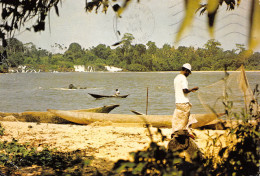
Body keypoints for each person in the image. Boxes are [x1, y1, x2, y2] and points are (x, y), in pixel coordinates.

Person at [172, 63, 199, 134]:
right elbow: (185, 90)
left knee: (178, 119)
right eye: (188, 73)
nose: (188, 75)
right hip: (184, 103)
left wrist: (190, 90)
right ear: (186, 71)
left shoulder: (176, 78)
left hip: (178, 103)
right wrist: (193, 89)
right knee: (184, 121)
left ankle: (175, 132)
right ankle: (182, 135)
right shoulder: (183, 78)